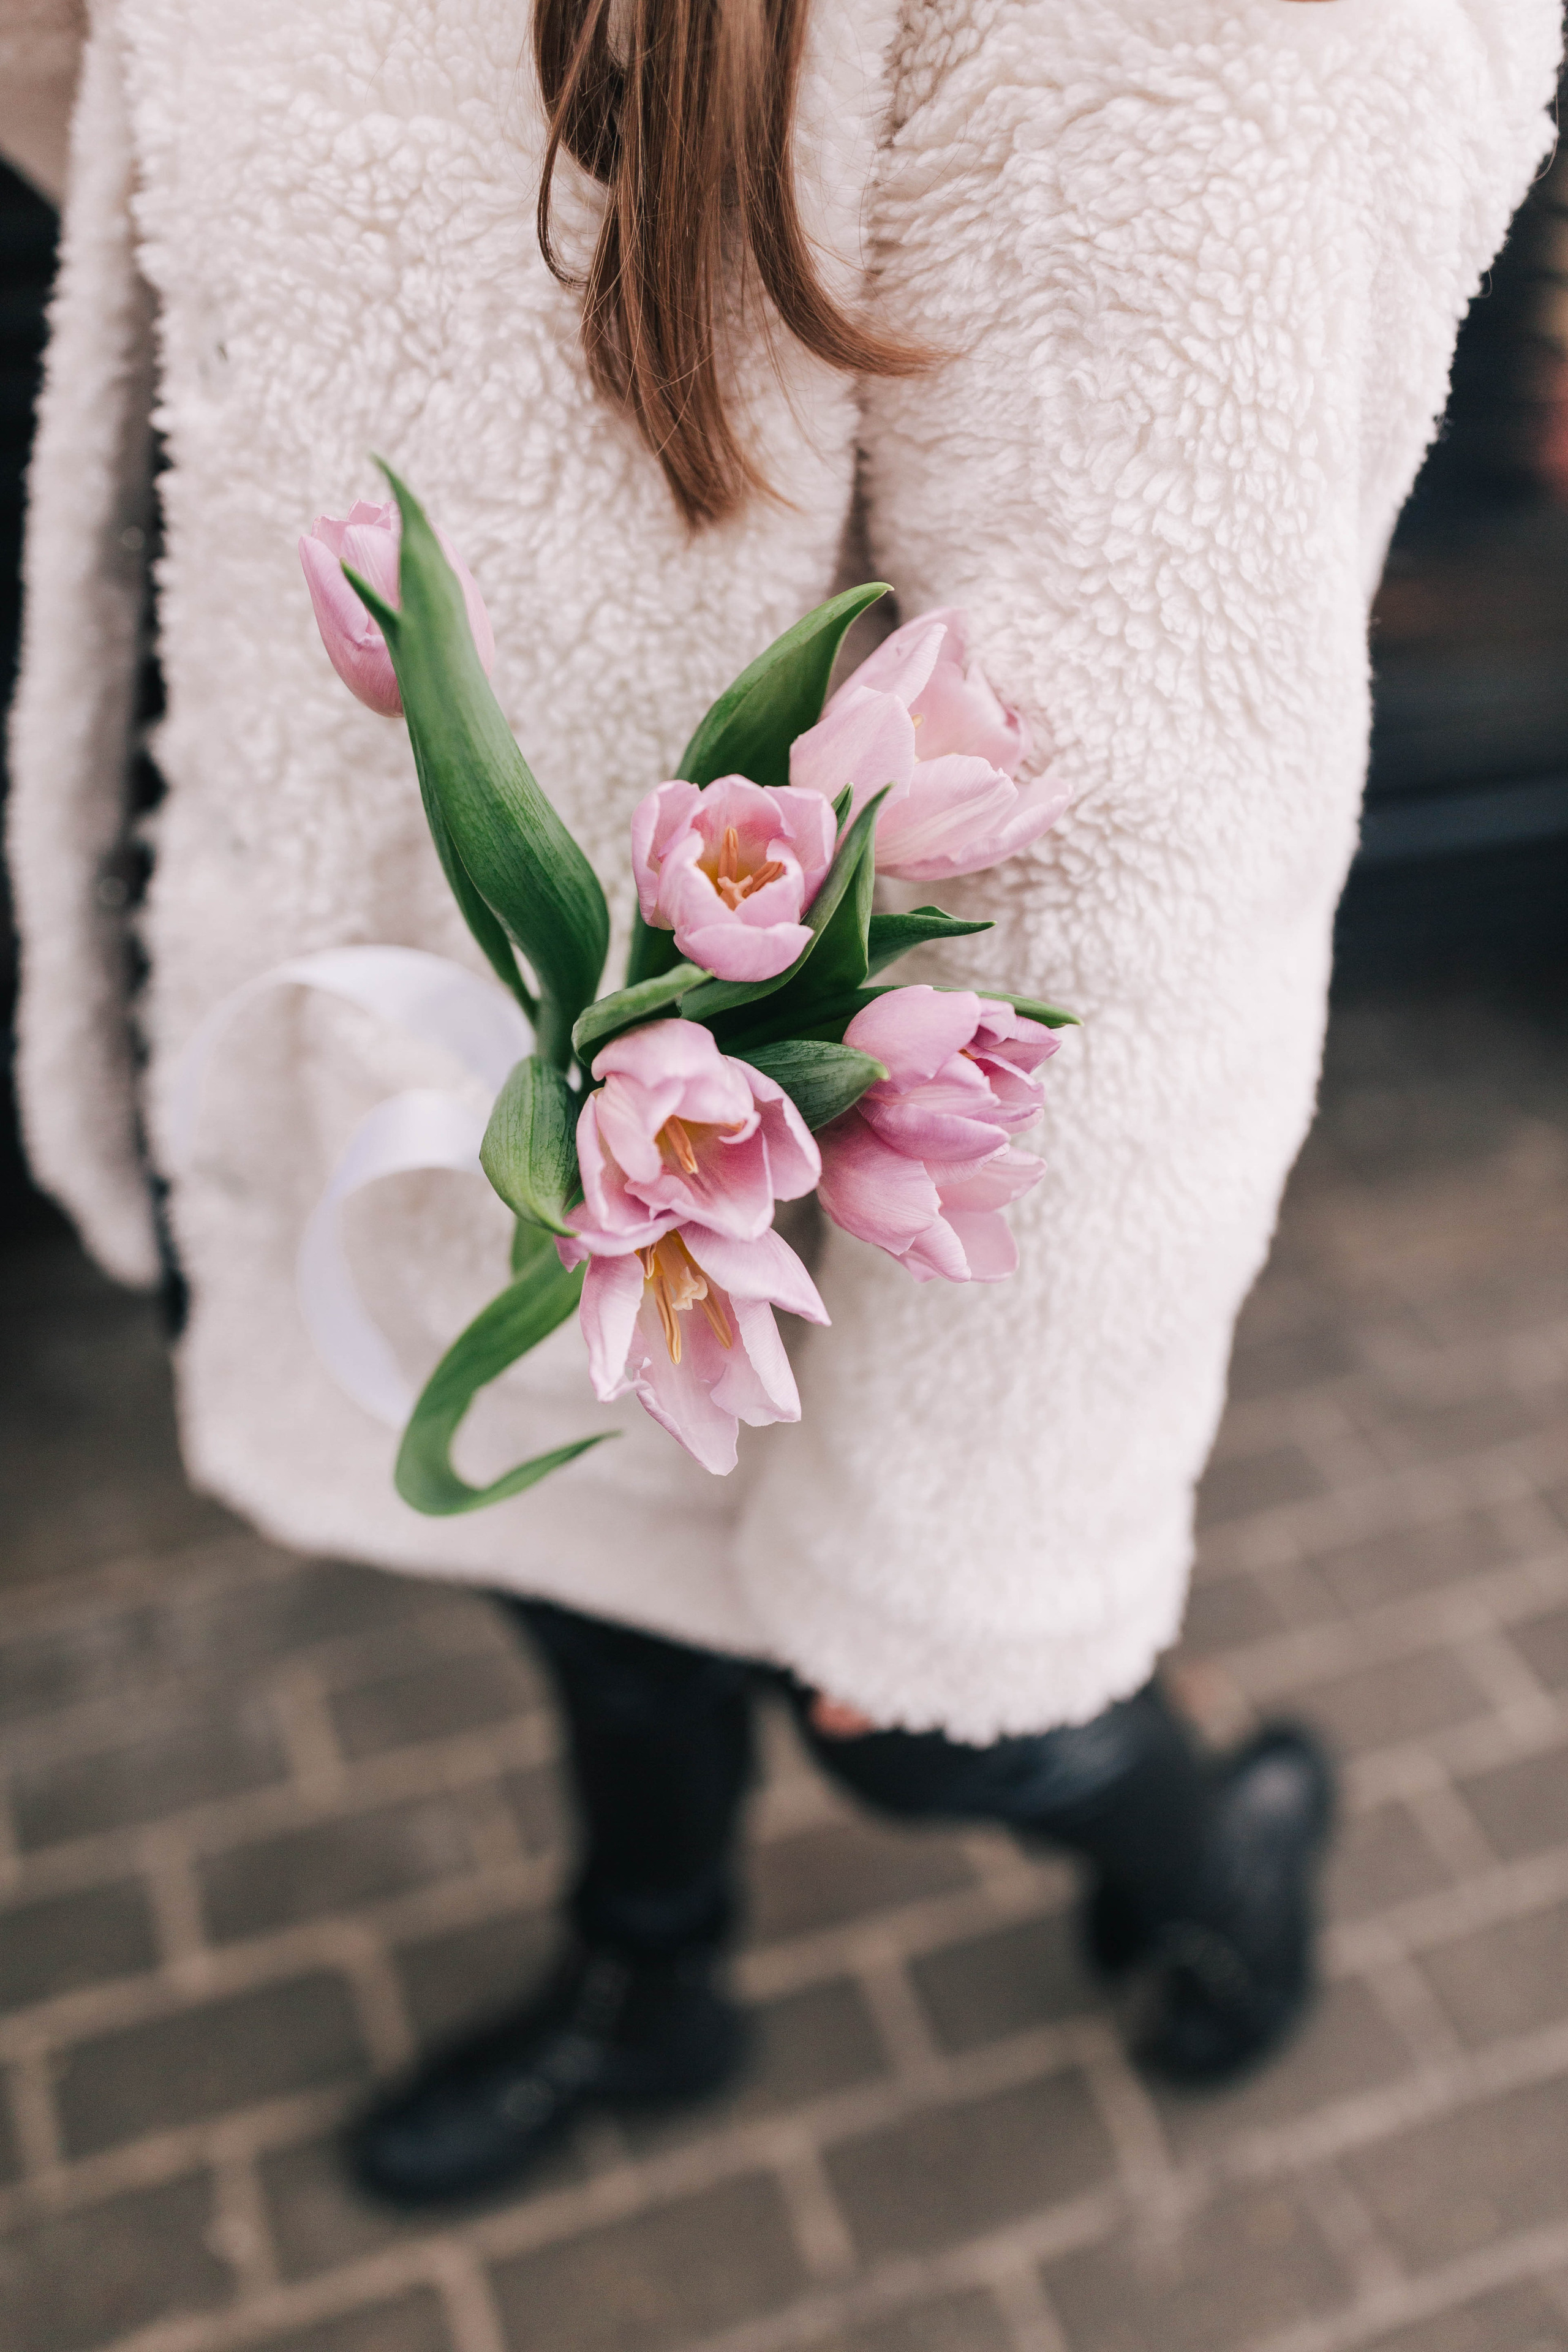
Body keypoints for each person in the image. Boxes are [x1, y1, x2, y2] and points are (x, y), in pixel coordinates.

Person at [3, 0, 1558, 2204]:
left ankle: (1214, 1836)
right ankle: (653, 1976)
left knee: (940, 1727)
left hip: (799, 1153)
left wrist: (976, 1548)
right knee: (573, 1574)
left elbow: (1141, 791)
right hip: (416, 1031)